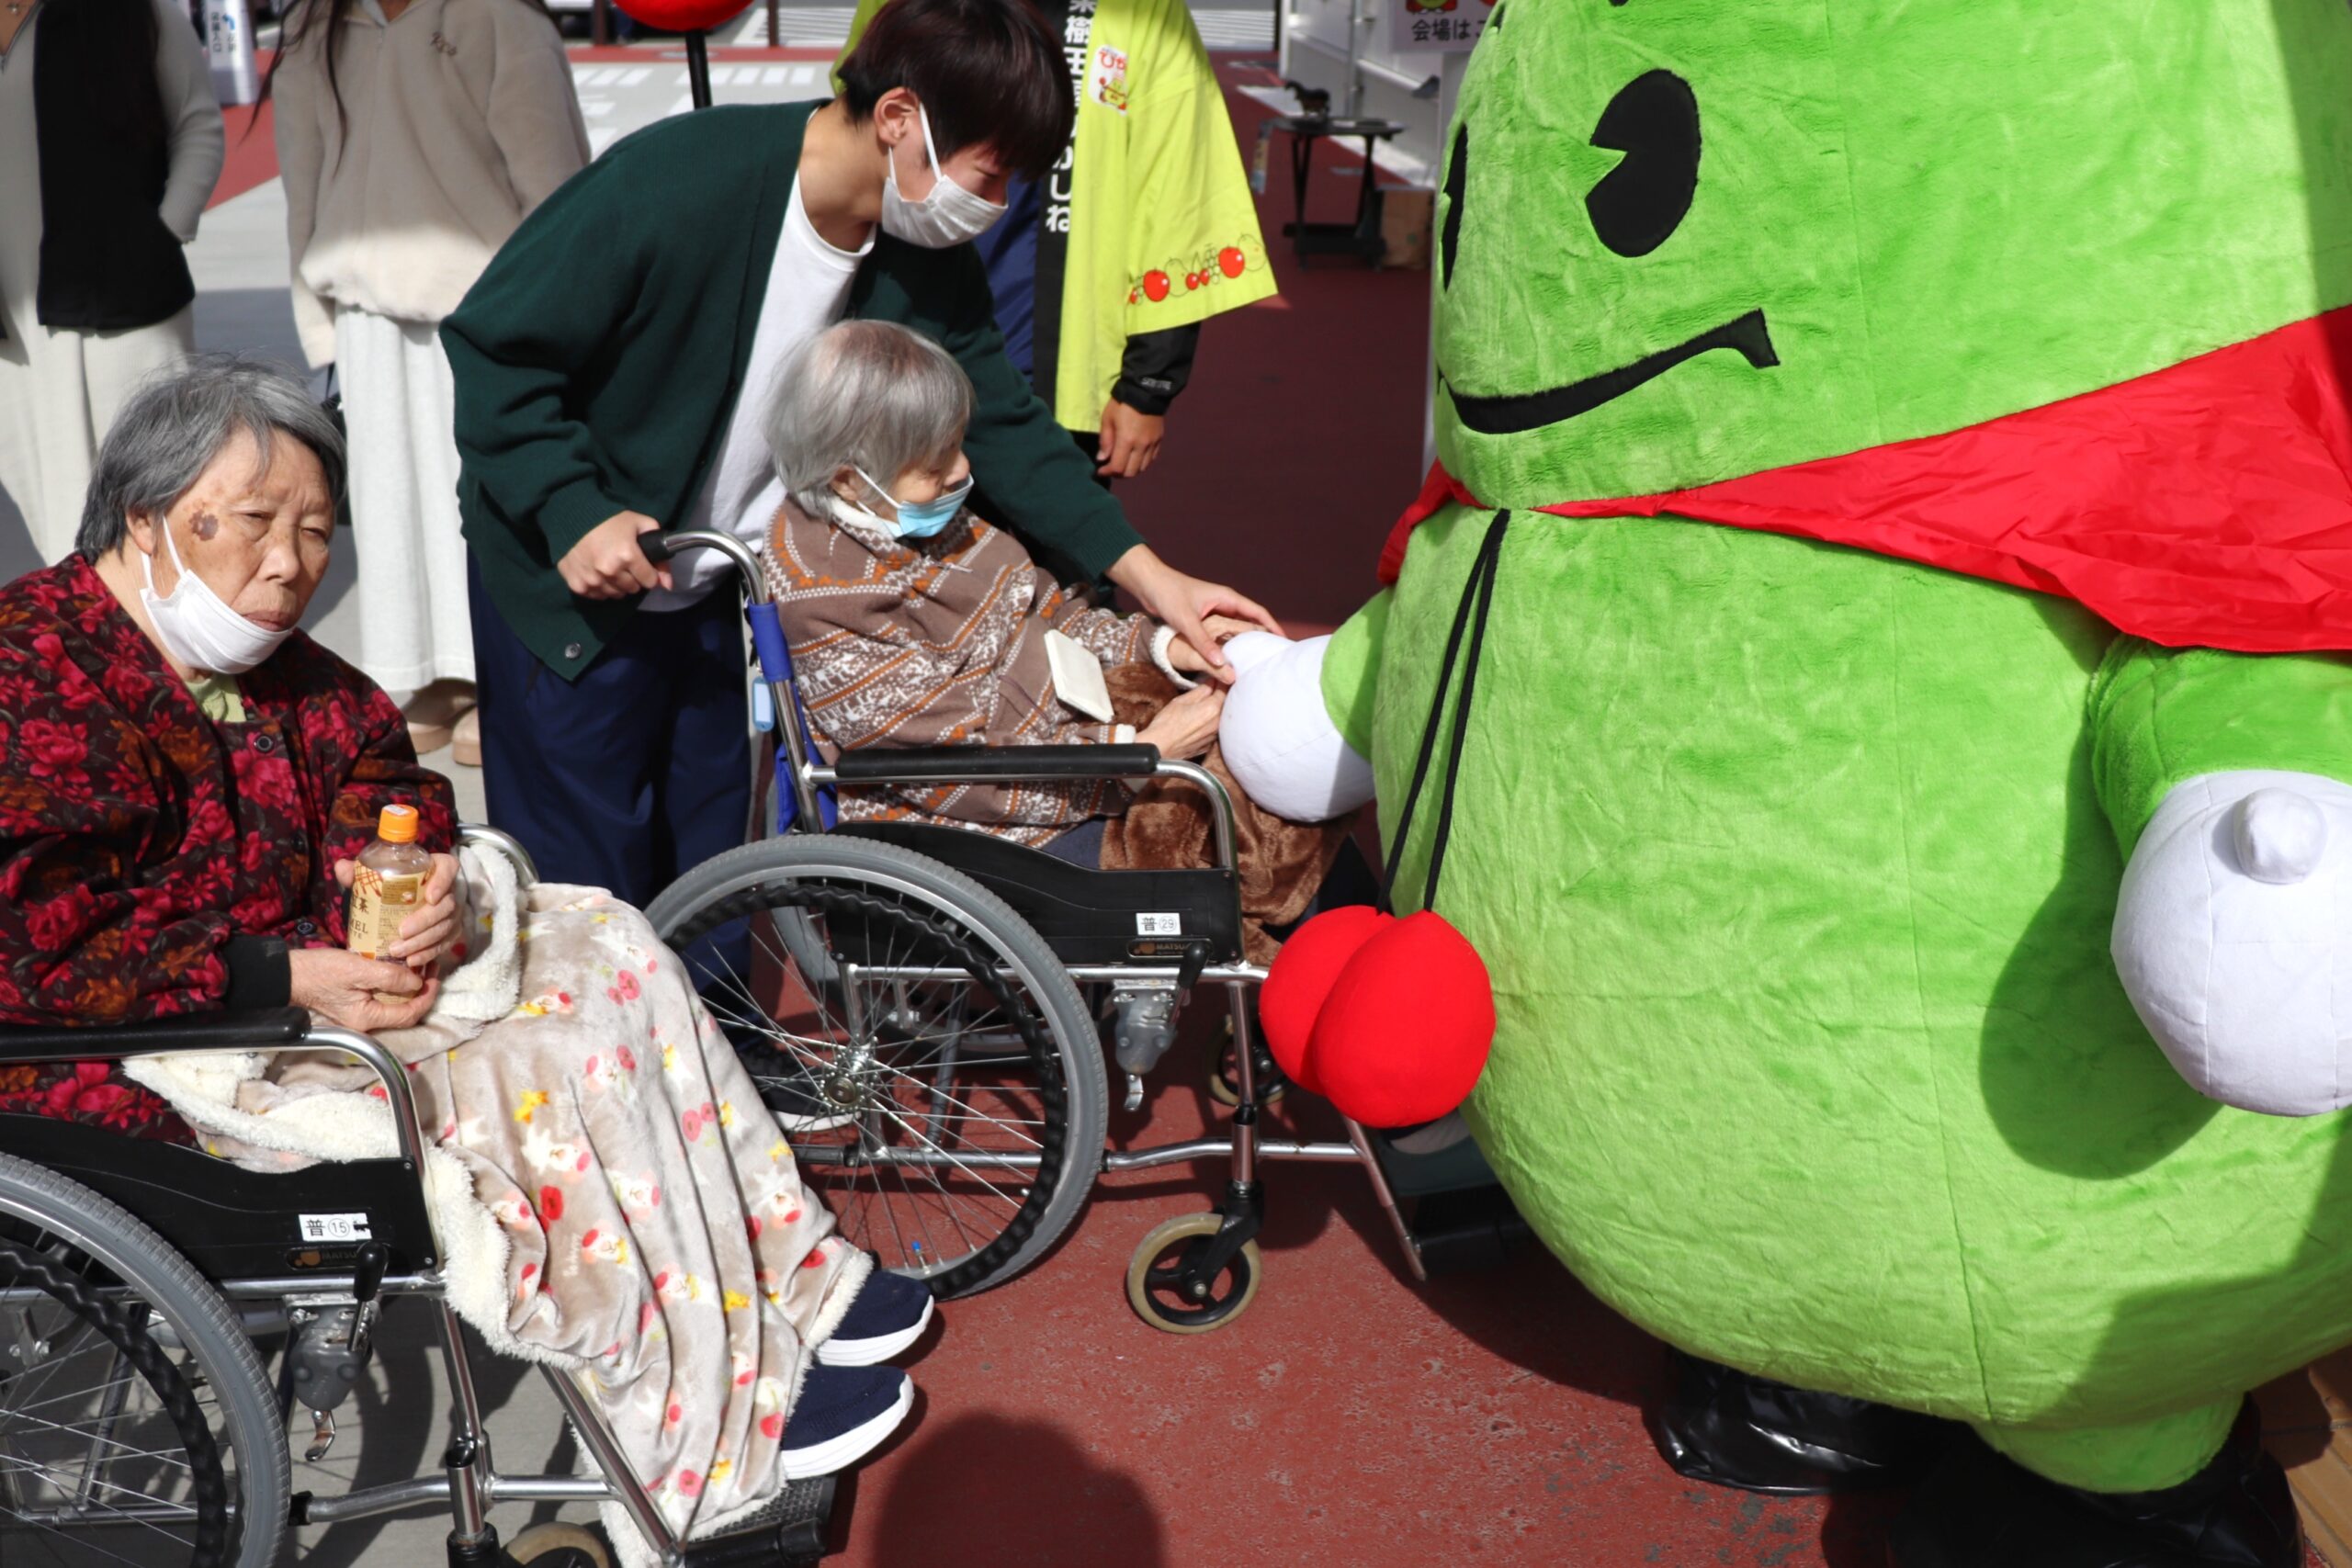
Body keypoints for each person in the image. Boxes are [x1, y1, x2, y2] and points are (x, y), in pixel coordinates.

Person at [0, 360, 933, 1524]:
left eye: (315, 532)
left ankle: (779, 1276)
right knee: (541, 1070)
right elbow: (34, 941)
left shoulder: (273, 667)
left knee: (611, 944)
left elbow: (382, 771)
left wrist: (405, 874)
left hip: (304, 985)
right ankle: (691, 1416)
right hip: (118, 1056)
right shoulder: (32, 668)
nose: (288, 564)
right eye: (249, 524)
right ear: (145, 518)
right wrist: (291, 975)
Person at [445, 0, 1279, 983]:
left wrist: (1153, 580)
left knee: (714, 863)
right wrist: (571, 509)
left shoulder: (917, 244)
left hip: (712, 580)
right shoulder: (678, 181)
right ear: (897, 119)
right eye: (989, 175)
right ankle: (593, 1073)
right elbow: (495, 345)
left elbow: (1001, 420)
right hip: (574, 588)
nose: (996, 205)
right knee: (586, 885)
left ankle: (720, 1057)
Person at [758, 321, 1351, 959]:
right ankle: (1325, 987)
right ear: (849, 479)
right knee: (1254, 839)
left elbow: (1052, 612)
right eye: (935, 465)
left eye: (957, 445)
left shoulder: (906, 513)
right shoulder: (834, 601)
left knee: (1284, 766)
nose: (962, 470)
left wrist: (1163, 647)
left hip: (1069, 745)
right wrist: (1144, 755)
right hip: (990, 831)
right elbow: (957, 776)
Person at [270, 0, 590, 761]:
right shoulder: (317, 25)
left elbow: (554, 183)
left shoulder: (499, 16)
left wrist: (558, 323)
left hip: (484, 310)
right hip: (365, 307)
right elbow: (302, 177)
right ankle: (421, 674)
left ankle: (493, 672)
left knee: (474, 507)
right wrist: (317, 321)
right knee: (390, 510)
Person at [840, 0, 1277, 485]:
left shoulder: (1143, 11)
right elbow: (854, 129)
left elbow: (1179, 191)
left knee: (1052, 522)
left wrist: (1148, 385)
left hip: (1051, 363)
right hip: (911, 335)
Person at [0, 0, 223, 564]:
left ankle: (161, 622)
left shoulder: (136, 12)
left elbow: (197, 123)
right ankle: (91, 617)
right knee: (57, 522)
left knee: (158, 500)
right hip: (13, 335)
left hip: (126, 308)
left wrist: (161, 235)